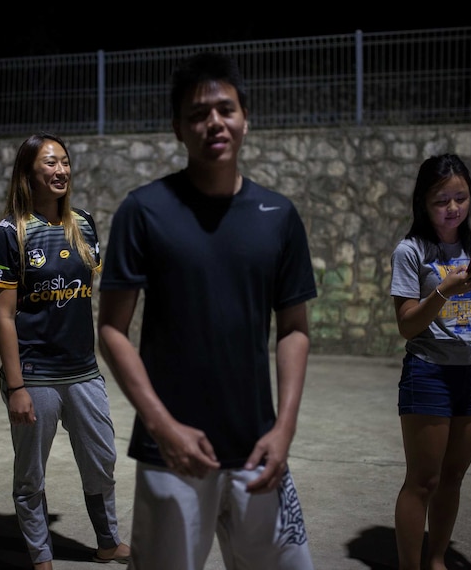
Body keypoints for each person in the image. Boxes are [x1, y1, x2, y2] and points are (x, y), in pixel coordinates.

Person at [97, 51, 317, 570]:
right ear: (178, 127)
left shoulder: (278, 216)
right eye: (198, 113)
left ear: (245, 117)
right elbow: (111, 329)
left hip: (258, 448)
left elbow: (293, 330)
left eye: (225, 109)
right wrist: (161, 426)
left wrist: (284, 429)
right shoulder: (144, 210)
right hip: (171, 454)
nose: (214, 122)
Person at [0, 132, 130, 569]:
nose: (60, 170)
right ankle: (41, 557)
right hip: (34, 374)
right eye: (50, 163)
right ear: (28, 173)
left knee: (102, 460)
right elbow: (4, 315)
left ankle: (107, 543)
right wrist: (16, 387)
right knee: (31, 475)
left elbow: (93, 295)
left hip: (83, 370)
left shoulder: (84, 224)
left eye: (64, 162)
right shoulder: (9, 234)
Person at [389, 153, 471, 570]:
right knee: (424, 481)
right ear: (424, 202)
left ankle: (436, 560)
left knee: (452, 480)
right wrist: (444, 289)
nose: (453, 208)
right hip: (429, 374)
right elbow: (406, 325)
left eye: (461, 197)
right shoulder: (411, 252)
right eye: (442, 200)